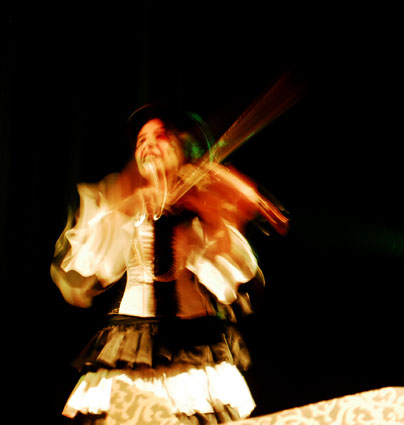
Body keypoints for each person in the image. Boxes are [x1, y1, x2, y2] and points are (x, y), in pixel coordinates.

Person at [51, 104, 288, 424]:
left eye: (159, 136)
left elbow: (231, 275)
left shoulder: (203, 198)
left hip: (196, 346)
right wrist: (126, 207)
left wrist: (217, 213)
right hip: (131, 343)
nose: (148, 145)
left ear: (181, 146)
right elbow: (89, 266)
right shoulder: (120, 199)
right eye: (141, 141)